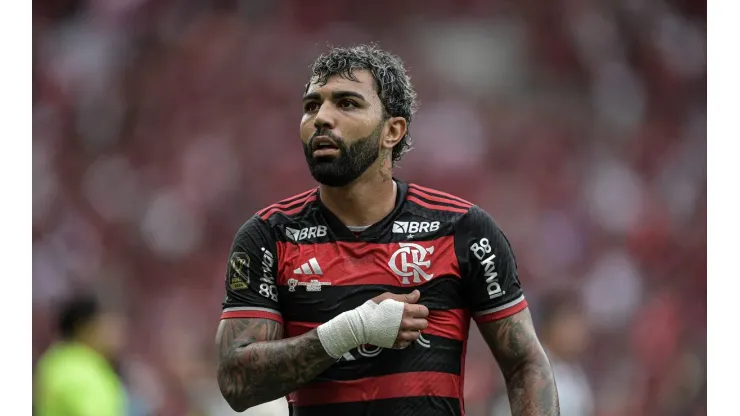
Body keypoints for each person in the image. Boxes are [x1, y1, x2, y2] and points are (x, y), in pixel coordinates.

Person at [215, 44, 559, 416]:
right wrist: (353, 329)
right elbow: (237, 383)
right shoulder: (268, 236)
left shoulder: (463, 229)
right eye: (312, 106)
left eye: (346, 103)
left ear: (392, 131)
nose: (321, 118)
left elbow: (526, 363)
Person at [35, 294, 128, 416]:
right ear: (86, 328)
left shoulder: (62, 363)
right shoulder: (76, 371)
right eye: (110, 324)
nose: (117, 334)